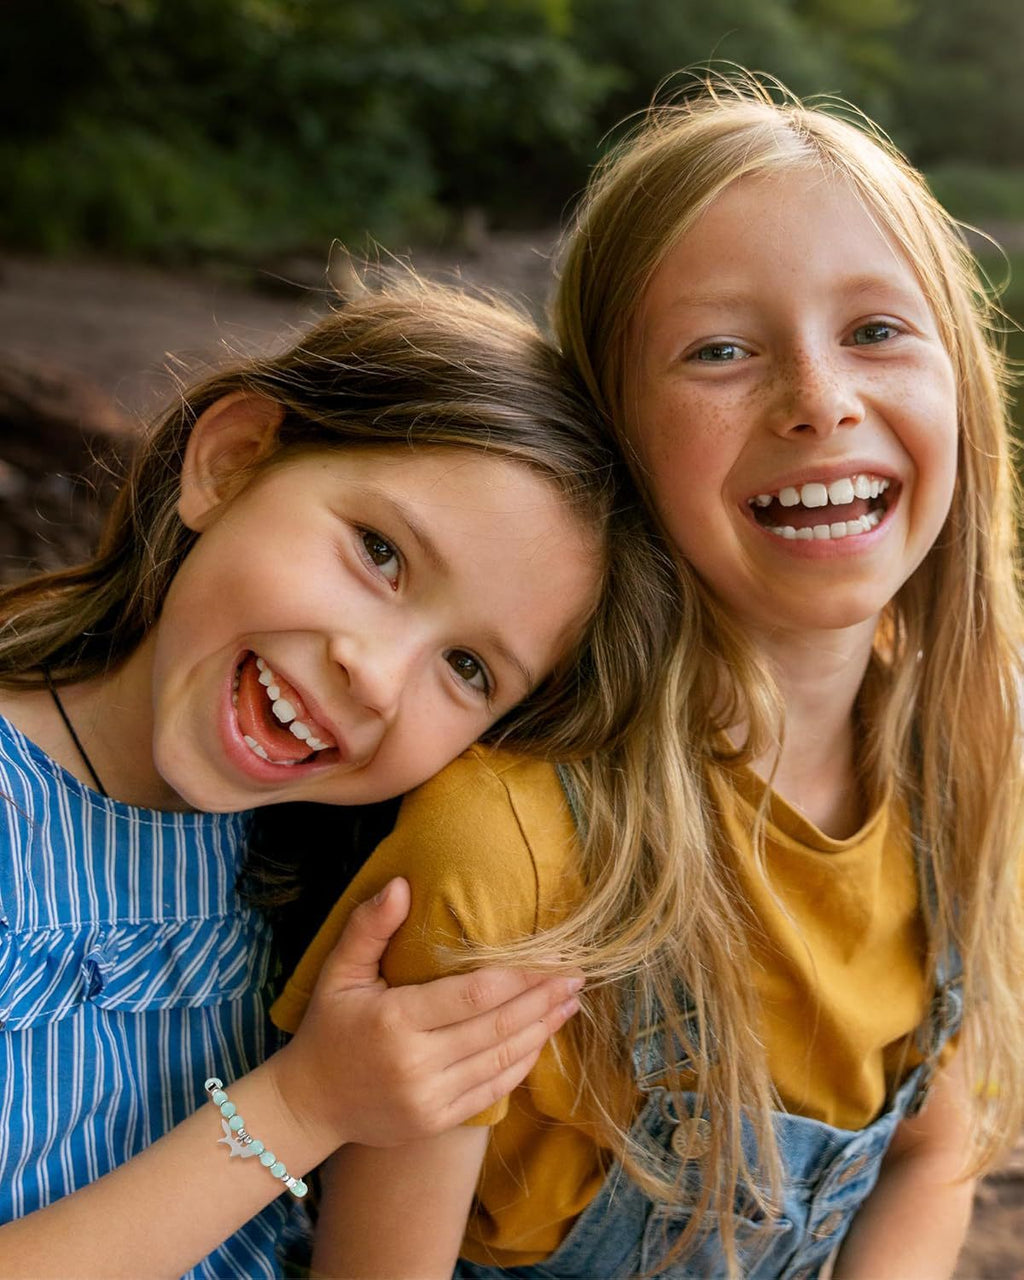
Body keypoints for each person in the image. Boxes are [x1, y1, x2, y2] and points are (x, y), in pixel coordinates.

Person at [274, 75, 1024, 1280]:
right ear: (613, 434)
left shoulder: (979, 766)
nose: (820, 402)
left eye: (877, 330)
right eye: (718, 349)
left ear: (963, 384)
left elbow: (936, 1160)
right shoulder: (512, 851)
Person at [0, 279, 678, 1278]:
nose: (376, 672)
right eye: (379, 552)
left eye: (467, 667)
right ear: (232, 462)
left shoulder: (328, 869)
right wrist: (303, 1102)